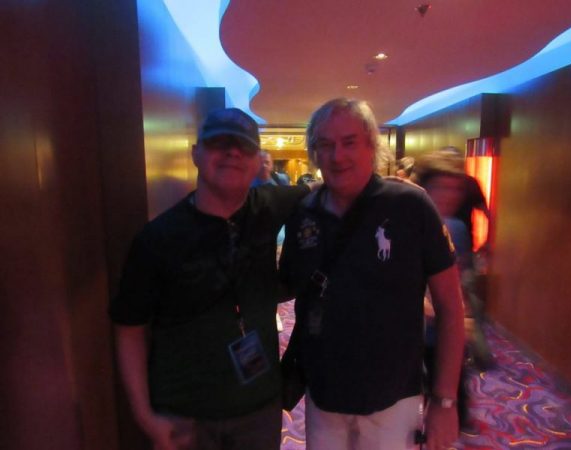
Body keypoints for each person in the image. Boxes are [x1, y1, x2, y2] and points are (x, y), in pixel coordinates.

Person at [109, 108, 311, 450]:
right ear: (195, 154)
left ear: (257, 162)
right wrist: (144, 415)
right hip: (185, 415)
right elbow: (129, 328)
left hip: (260, 407)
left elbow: (328, 190)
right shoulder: (158, 238)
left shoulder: (270, 206)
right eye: (219, 142)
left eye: (243, 146)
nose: (232, 152)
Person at [279, 98, 465, 450]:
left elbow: (451, 308)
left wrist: (445, 401)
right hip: (323, 394)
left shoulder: (410, 206)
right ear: (314, 153)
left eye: (349, 142)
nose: (338, 155)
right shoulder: (304, 213)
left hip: (393, 399)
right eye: (325, 144)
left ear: (371, 146)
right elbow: (290, 287)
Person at [416, 153, 495, 373]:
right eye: (440, 187)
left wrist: (461, 314)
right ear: (424, 189)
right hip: (413, 338)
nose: (449, 196)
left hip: (447, 338)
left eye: (455, 189)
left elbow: (459, 280)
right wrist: (444, 313)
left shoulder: (457, 229)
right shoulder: (406, 227)